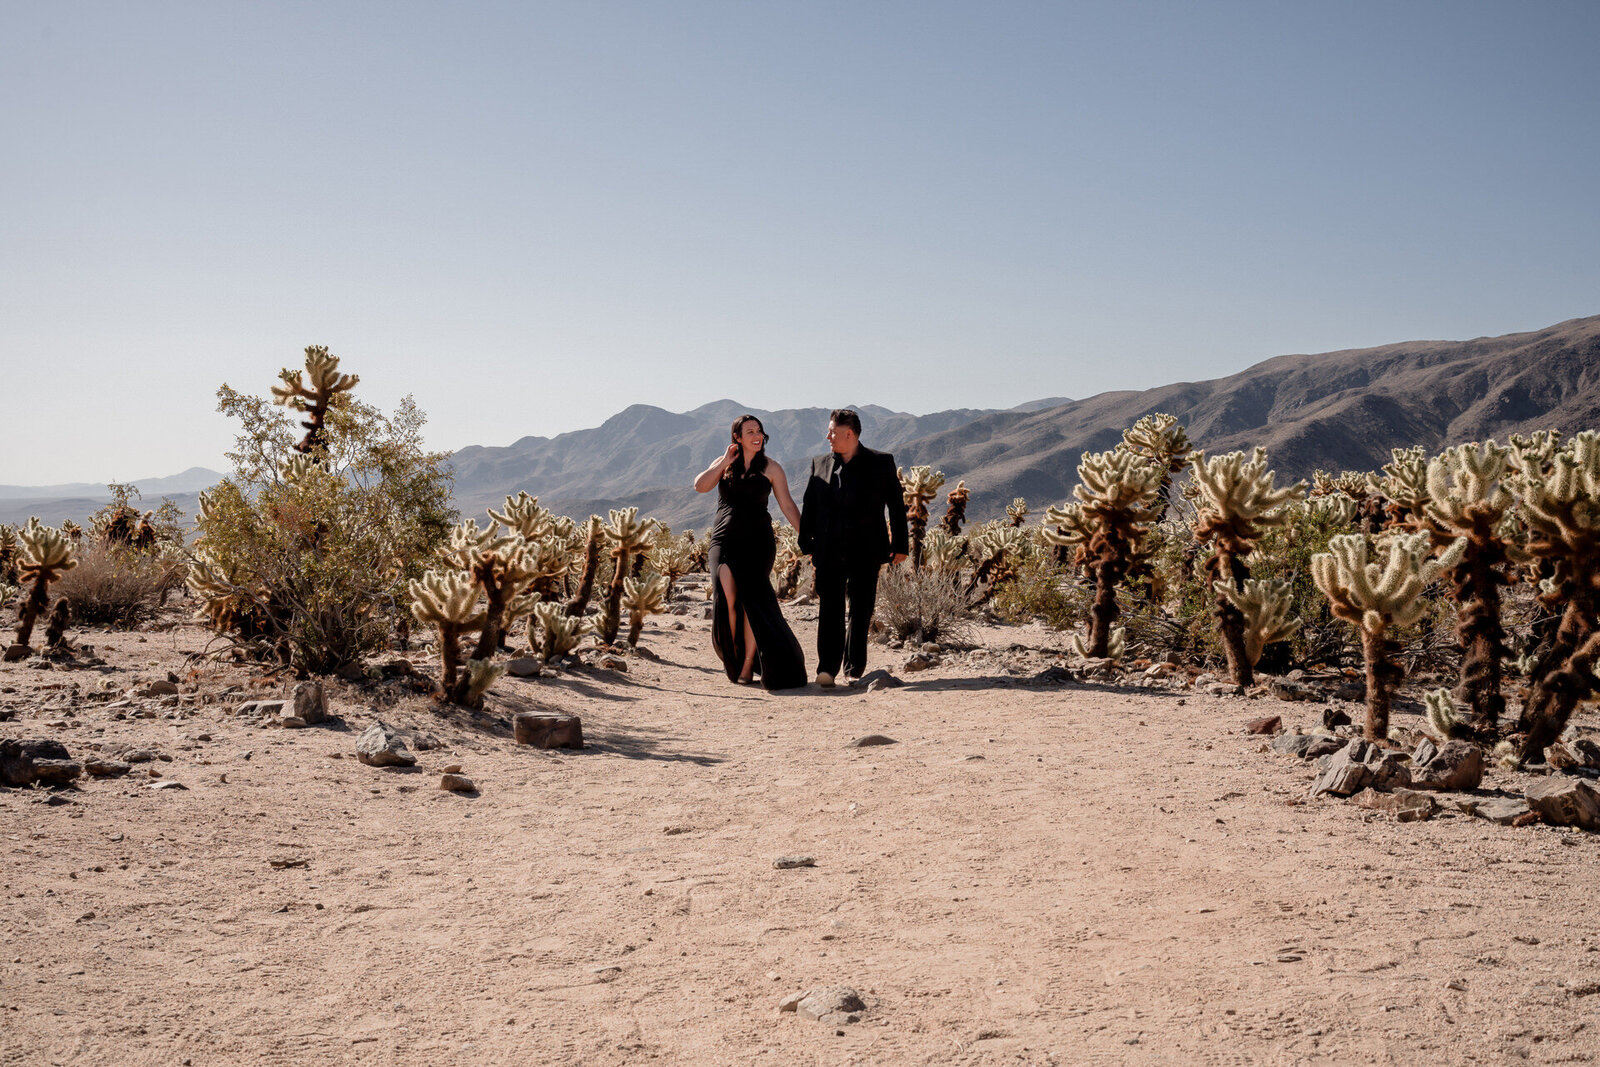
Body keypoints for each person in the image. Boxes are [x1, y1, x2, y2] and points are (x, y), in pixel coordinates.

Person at [693, 414, 807, 689]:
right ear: (737, 438)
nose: (757, 435)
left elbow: (788, 505)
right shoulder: (724, 465)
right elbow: (700, 486)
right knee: (727, 597)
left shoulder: (771, 468)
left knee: (752, 604)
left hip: (758, 543)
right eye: (750, 431)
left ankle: (747, 665)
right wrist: (724, 460)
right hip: (723, 539)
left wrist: (808, 536)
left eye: (760, 431)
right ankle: (732, 656)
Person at [798, 409, 909, 687]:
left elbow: (896, 506)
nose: (828, 437)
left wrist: (901, 545)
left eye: (832, 432)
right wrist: (807, 542)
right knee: (830, 608)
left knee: (861, 609)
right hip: (828, 548)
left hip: (866, 548)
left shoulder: (881, 463)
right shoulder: (820, 463)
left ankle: (854, 668)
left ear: (850, 434)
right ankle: (827, 669)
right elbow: (809, 504)